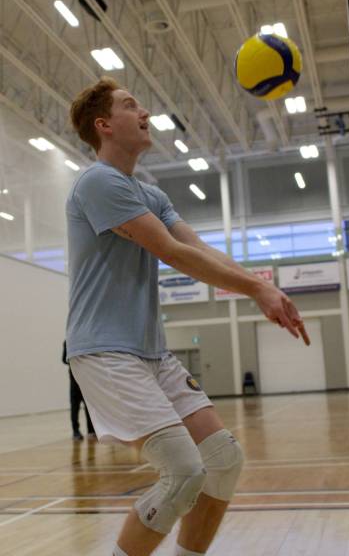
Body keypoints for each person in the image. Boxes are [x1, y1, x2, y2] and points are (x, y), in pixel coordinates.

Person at [65, 77, 310, 556]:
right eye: (131, 105)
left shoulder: (148, 194)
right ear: (104, 125)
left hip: (151, 353)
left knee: (222, 459)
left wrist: (266, 289)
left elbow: (200, 250)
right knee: (184, 471)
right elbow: (171, 252)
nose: (146, 113)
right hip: (105, 352)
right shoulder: (98, 183)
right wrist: (257, 288)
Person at [62, 340, 96, 440]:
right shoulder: (67, 342)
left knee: (88, 407)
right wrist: (73, 358)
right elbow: (64, 359)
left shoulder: (85, 343)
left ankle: (91, 431)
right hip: (74, 381)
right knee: (74, 407)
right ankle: (75, 431)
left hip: (85, 380)